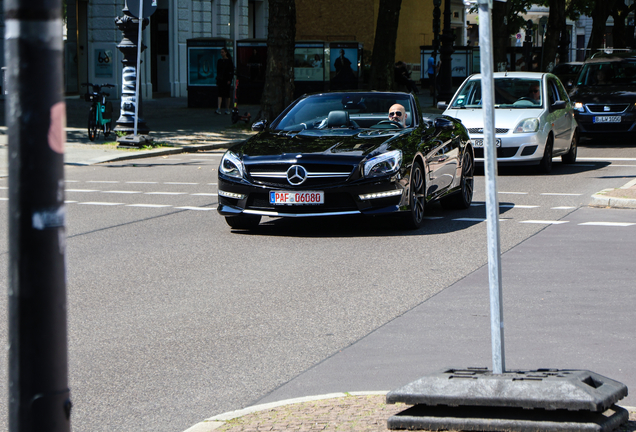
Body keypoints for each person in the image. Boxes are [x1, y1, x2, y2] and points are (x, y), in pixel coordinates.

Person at [216, 47, 234, 115]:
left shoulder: (229, 61)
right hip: (221, 79)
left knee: (227, 95)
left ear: (226, 52)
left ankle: (227, 108)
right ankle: (219, 108)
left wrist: (230, 79)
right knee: (220, 94)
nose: (221, 53)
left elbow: (231, 71)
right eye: (221, 52)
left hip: (226, 79)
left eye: (223, 52)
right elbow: (218, 70)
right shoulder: (219, 61)